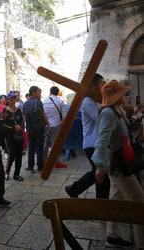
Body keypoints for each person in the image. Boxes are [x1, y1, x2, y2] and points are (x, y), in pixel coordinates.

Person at [91, 80, 144, 248]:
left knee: (116, 199)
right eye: (123, 94)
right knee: (139, 201)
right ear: (117, 97)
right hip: (118, 165)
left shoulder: (118, 111)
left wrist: (135, 123)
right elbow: (102, 141)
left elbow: (126, 135)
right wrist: (100, 166)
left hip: (121, 162)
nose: (126, 96)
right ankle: (141, 243)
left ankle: (112, 236)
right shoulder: (108, 113)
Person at [65, 73, 110, 198]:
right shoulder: (88, 101)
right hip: (92, 143)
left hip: (96, 142)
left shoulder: (96, 100)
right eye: (102, 82)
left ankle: (73, 189)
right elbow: (100, 119)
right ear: (93, 86)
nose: (104, 85)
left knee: (97, 172)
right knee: (102, 175)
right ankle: (101, 203)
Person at [23, 86, 50, 172]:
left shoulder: (25, 104)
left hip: (30, 129)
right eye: (39, 92)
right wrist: (48, 124)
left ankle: (30, 166)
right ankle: (40, 166)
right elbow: (43, 114)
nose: (40, 94)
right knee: (39, 147)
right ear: (34, 93)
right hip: (39, 128)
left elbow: (24, 116)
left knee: (31, 147)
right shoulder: (38, 102)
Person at [42, 86, 67, 169]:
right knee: (55, 144)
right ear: (57, 92)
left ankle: (43, 160)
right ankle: (56, 162)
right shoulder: (60, 101)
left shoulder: (44, 101)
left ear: (50, 92)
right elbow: (64, 116)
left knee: (45, 143)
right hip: (56, 125)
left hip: (46, 125)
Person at [2, 91, 24, 181]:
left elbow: (22, 121)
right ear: (8, 99)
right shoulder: (5, 110)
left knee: (19, 155)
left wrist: (20, 126)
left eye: (14, 98)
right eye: (11, 98)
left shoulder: (18, 110)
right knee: (12, 154)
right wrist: (13, 128)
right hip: (9, 136)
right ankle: (7, 171)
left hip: (18, 135)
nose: (13, 100)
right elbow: (2, 123)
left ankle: (17, 174)